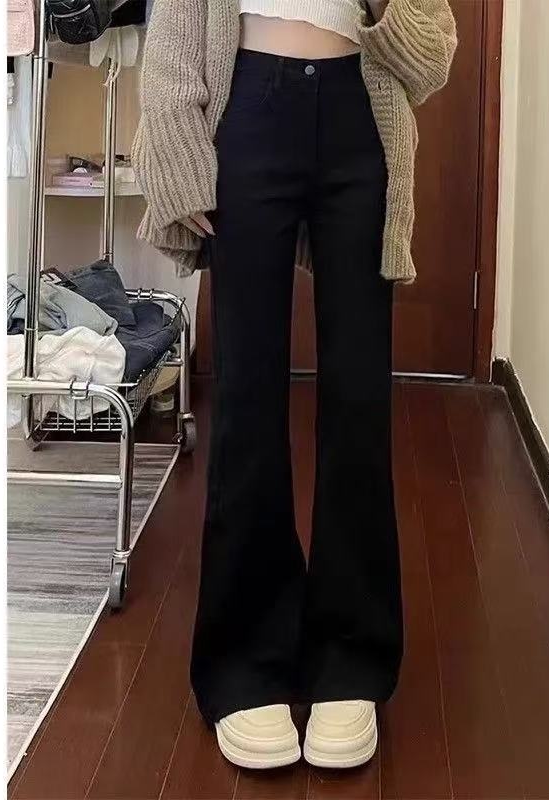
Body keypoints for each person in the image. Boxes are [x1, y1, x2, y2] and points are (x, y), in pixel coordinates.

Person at [132, 0, 457, 770]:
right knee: (245, 398)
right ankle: (244, 660)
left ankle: (352, 658)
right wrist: (176, 138)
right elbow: (176, 26)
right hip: (247, 106)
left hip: (360, 117)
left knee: (359, 400)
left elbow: (431, 60)